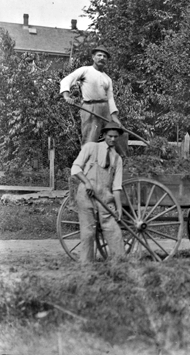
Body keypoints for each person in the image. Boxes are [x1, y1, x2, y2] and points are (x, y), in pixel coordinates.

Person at [71, 121, 125, 263]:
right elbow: (75, 168)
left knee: (113, 230)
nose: (112, 139)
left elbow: (117, 187)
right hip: (86, 196)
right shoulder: (91, 147)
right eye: (110, 136)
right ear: (104, 135)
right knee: (88, 232)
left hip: (105, 198)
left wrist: (119, 208)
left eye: (115, 136)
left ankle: (119, 264)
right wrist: (87, 182)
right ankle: (86, 266)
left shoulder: (117, 159)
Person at [60, 45, 128, 157]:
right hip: (90, 108)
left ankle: (122, 161)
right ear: (93, 57)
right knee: (90, 138)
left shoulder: (107, 79)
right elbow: (66, 80)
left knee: (120, 133)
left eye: (105, 56)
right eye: (99, 55)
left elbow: (110, 99)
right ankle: (86, 164)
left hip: (105, 109)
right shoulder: (85, 70)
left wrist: (116, 119)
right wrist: (66, 96)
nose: (102, 58)